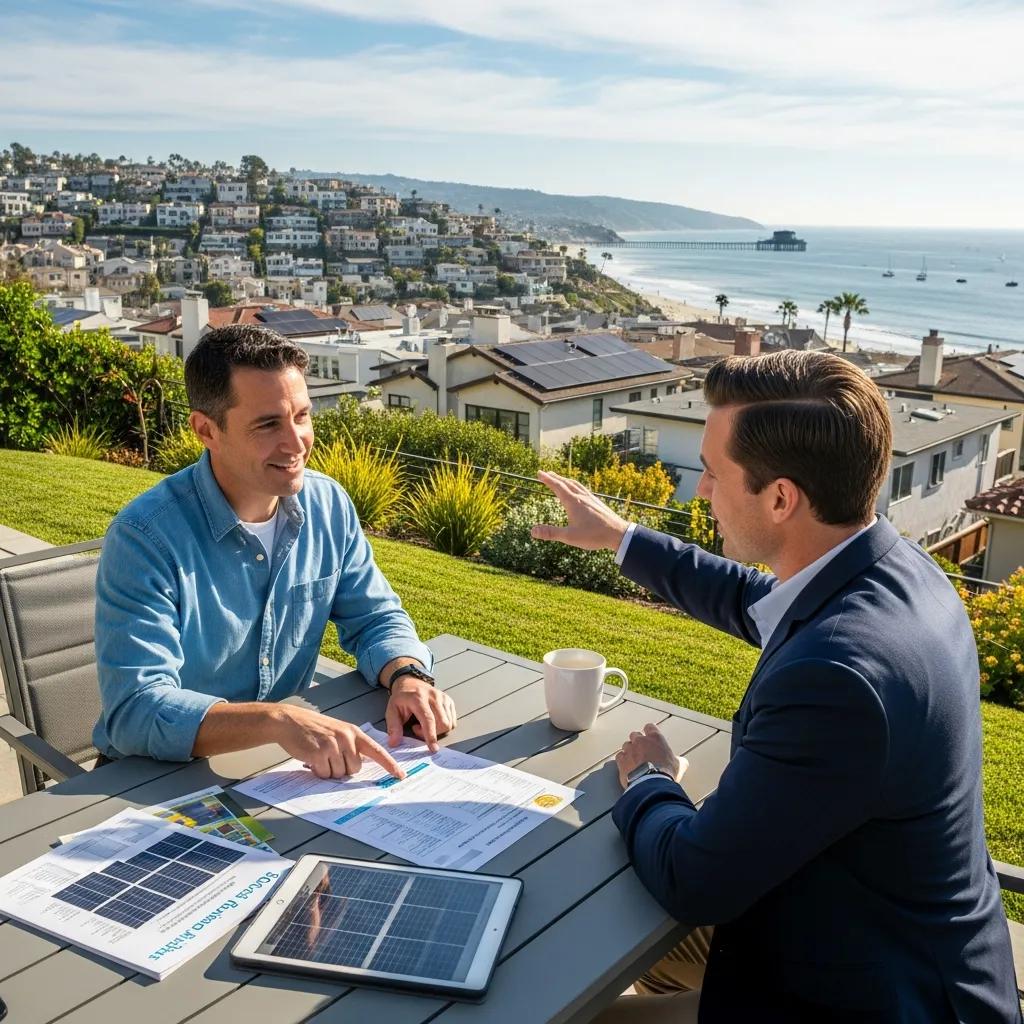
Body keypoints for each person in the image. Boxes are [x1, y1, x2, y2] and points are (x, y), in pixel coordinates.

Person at [532, 350, 1020, 1023]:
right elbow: (755, 599)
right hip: (861, 920)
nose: (701, 491)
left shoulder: (837, 679)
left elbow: (695, 882)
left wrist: (651, 782)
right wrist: (621, 538)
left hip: (867, 993)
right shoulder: (895, 568)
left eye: (711, 472)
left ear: (782, 498)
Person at [94, 324, 456, 780]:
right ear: (206, 430)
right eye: (268, 424)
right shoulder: (145, 538)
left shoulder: (329, 506)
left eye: (302, 416)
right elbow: (136, 710)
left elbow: (375, 619)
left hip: (277, 767)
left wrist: (408, 676)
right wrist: (276, 721)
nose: (295, 442)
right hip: (147, 781)